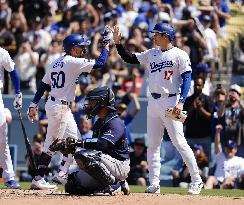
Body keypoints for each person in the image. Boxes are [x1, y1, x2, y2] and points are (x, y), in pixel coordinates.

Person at [112, 22, 203, 194]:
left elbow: (187, 79)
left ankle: (197, 180)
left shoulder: (180, 54)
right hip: (153, 102)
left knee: (179, 142)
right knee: (153, 144)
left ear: (166, 36)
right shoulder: (151, 53)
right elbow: (130, 58)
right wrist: (118, 44)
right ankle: (154, 183)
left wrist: (181, 101)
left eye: (157, 34)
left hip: (171, 101)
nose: (153, 36)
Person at [27, 27, 112, 190]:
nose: (83, 50)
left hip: (59, 105)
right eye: (80, 48)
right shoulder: (73, 62)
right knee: (52, 144)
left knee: (75, 141)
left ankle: (61, 173)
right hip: (59, 106)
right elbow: (101, 63)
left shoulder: (56, 61)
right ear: (73, 48)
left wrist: (33, 103)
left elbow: (43, 84)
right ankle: (38, 178)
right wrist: (106, 44)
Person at [49, 86, 130, 195]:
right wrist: (67, 147)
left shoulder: (115, 122)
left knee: (87, 155)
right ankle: (103, 186)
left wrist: (78, 142)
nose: (89, 105)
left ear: (102, 103)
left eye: (92, 102)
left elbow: (103, 145)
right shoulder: (99, 122)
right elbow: (94, 145)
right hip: (104, 164)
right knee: (72, 186)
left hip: (119, 166)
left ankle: (116, 184)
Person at [0, 47, 22, 188]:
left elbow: (13, 72)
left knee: (2, 138)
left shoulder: (1, 52)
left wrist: (18, 92)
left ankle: (9, 176)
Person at [205, 125, 244, 189]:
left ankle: (220, 191)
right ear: (225, 149)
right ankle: (204, 195)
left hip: (231, 182)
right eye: (228, 148)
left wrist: (235, 178)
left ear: (235, 149)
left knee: (228, 180)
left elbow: (242, 173)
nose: (229, 150)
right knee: (211, 178)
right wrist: (217, 132)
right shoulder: (220, 156)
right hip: (217, 181)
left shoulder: (240, 160)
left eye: (231, 149)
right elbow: (217, 144)